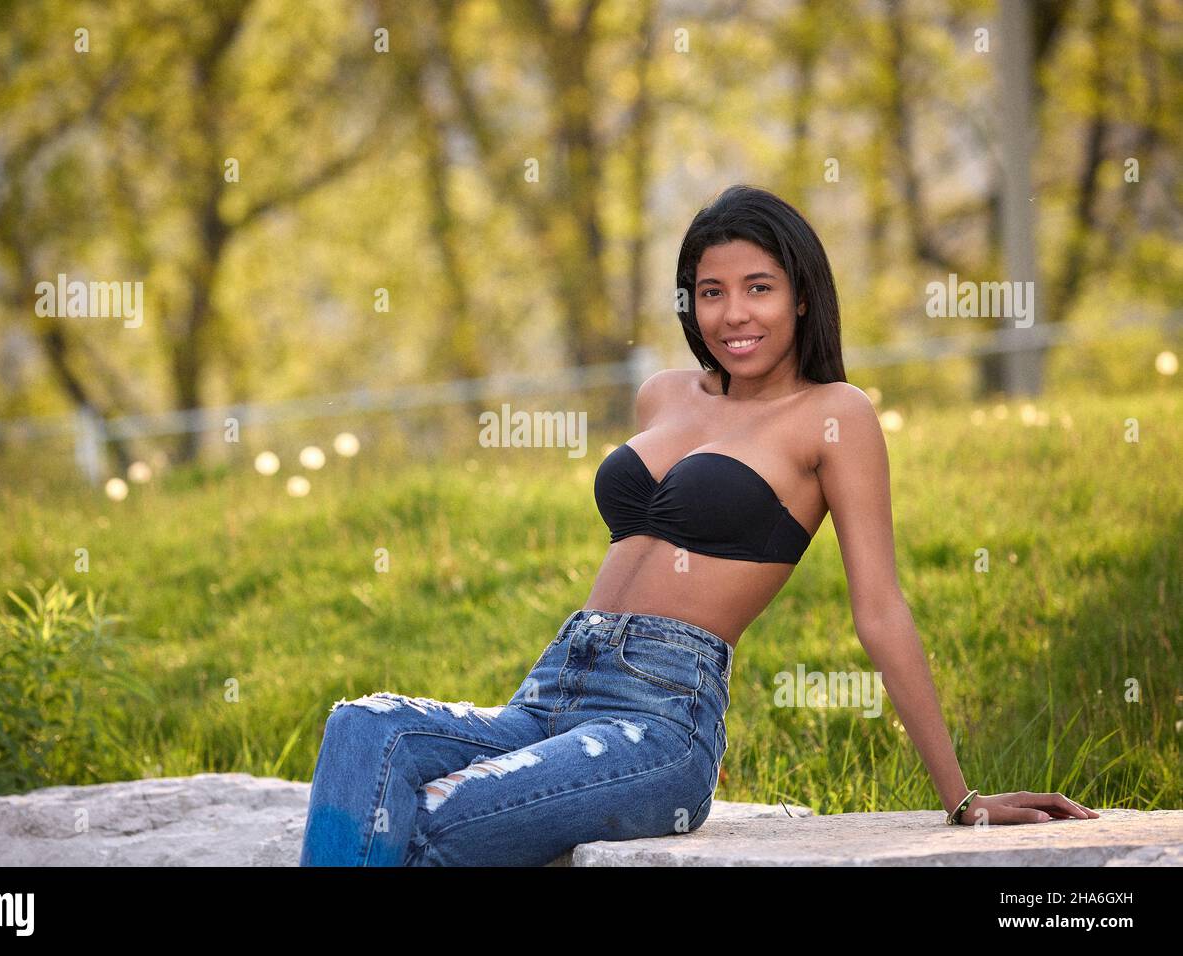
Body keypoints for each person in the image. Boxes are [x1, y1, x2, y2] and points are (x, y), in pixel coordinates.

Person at [298, 184, 1098, 867]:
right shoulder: (665, 395)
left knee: (432, 824)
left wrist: (961, 799)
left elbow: (880, 610)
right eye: (710, 292)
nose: (732, 314)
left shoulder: (834, 416)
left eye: (759, 288)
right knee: (363, 726)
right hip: (550, 690)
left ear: (802, 295)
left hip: (658, 722)